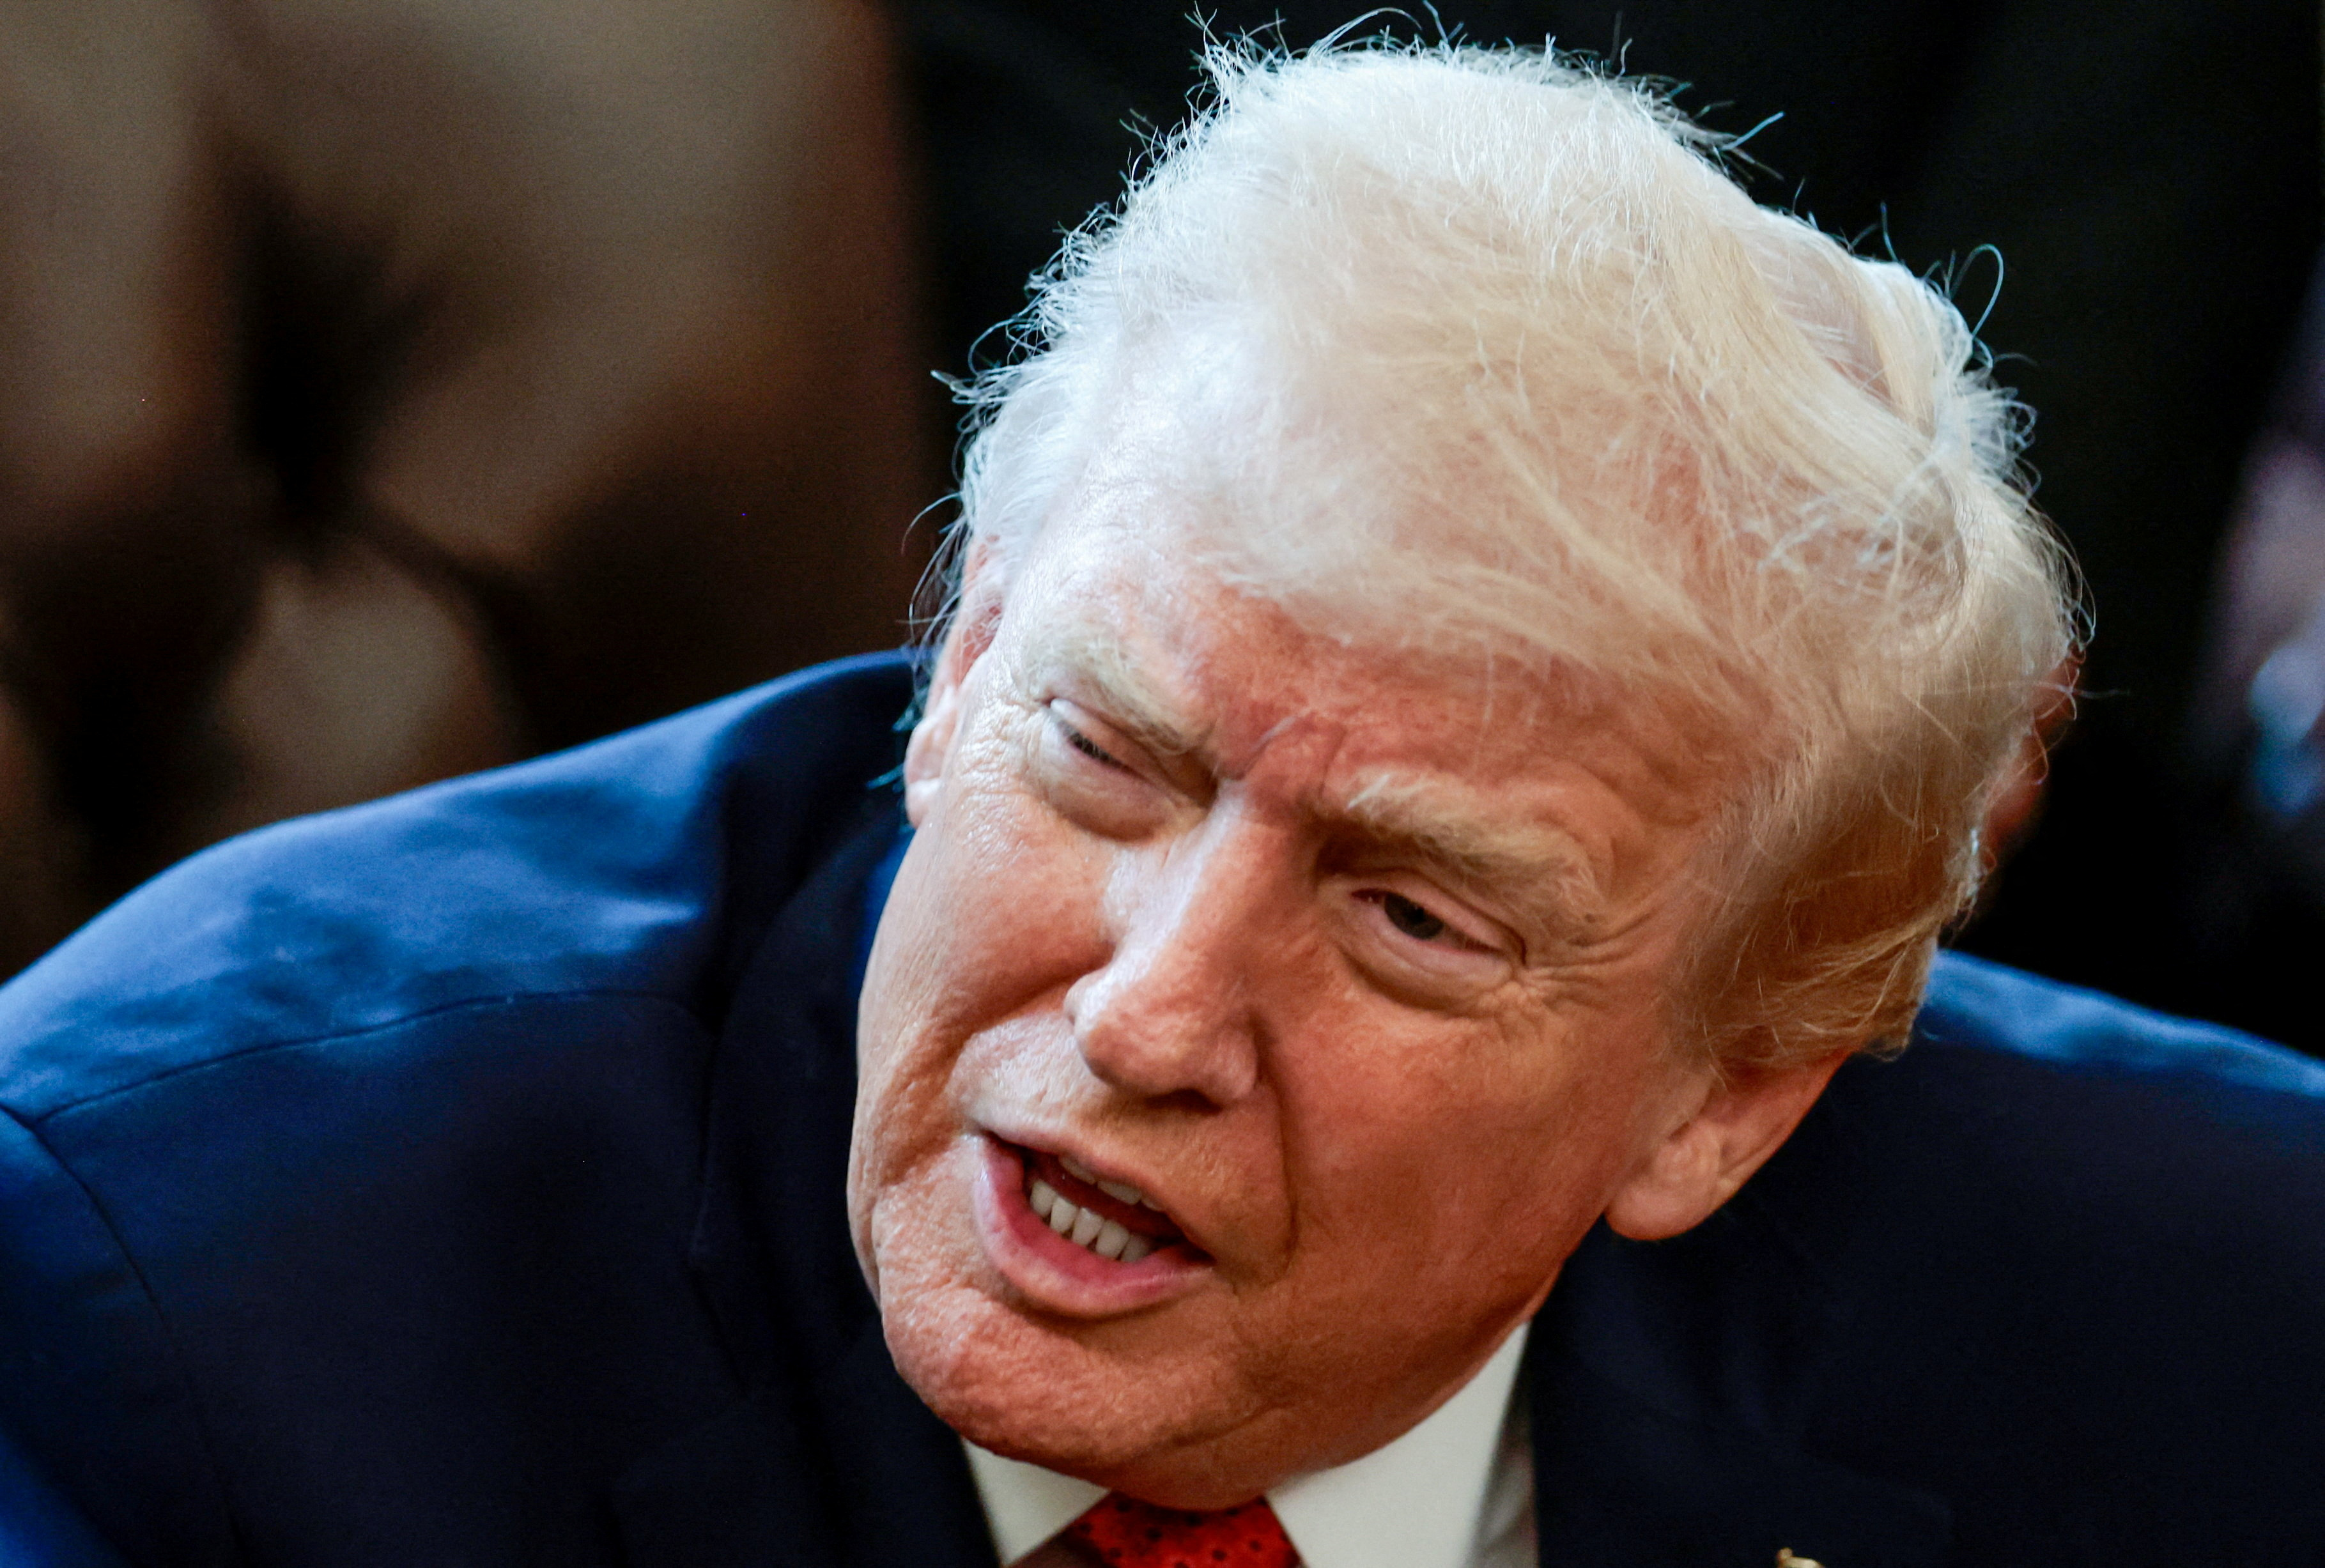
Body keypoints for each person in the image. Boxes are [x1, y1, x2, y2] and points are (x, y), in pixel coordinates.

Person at [2, 40, 2321, 1568]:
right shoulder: (170, 1284)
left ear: (1730, 1089)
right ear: (972, 643)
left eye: (1416, 916)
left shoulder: (2232, 1326)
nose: (1149, 1010)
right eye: (1107, 750)